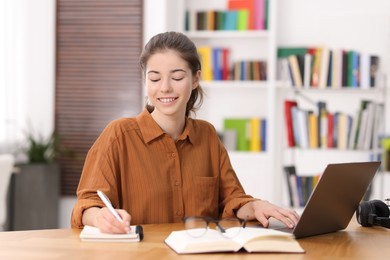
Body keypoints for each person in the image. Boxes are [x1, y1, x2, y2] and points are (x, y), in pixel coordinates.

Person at [71, 31, 299, 234]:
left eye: (177, 77)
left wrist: (255, 206)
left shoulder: (207, 136)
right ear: (145, 80)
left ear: (195, 79)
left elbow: (232, 200)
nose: (165, 87)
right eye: (155, 78)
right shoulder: (119, 135)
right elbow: (88, 203)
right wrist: (99, 217)